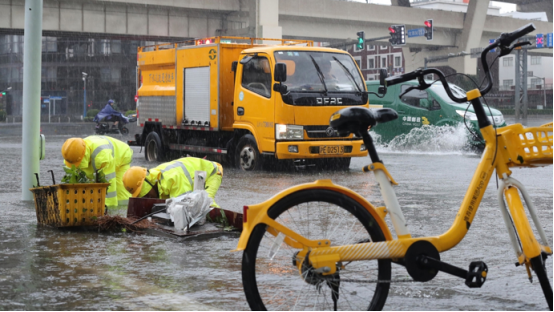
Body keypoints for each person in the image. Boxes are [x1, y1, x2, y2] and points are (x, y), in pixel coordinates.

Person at [123, 157, 223, 208]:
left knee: (205, 203)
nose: (147, 198)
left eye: (147, 194)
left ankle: (221, 223)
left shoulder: (173, 179)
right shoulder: (153, 177)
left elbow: (184, 206)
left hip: (210, 172)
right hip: (196, 174)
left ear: (149, 183)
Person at [62, 136, 133, 207]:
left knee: (120, 193)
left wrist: (108, 212)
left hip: (122, 155)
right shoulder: (73, 153)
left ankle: (123, 210)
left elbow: (109, 185)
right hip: (101, 153)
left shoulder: (102, 157)